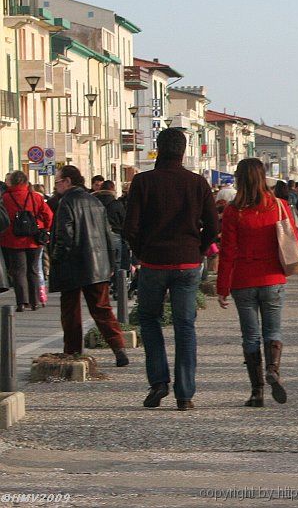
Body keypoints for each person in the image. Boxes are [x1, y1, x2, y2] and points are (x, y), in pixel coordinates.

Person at [123, 128, 218, 411]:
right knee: (185, 326)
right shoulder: (198, 183)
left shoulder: (143, 182)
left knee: (149, 319)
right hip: (187, 263)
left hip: (154, 262)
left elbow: (130, 227)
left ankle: (158, 382)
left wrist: (142, 252)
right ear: (184, 151)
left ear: (158, 149)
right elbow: (213, 226)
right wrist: (198, 250)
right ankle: (185, 394)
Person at [217, 158, 298, 407]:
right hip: (272, 277)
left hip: (243, 279)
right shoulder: (280, 206)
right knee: (272, 331)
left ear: (240, 179)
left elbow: (227, 252)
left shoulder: (233, 211)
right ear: (263, 177)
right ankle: (273, 369)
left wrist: (222, 288)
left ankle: (257, 392)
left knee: (250, 336)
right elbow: (293, 237)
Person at [49, 166, 128, 367]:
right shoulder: (95, 201)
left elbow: (64, 236)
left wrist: (55, 259)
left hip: (72, 264)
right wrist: (110, 262)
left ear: (67, 181)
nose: (56, 186)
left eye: (57, 182)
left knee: (71, 311)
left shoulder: (66, 202)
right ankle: (119, 348)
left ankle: (73, 352)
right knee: (102, 309)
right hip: (98, 264)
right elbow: (107, 234)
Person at [1, 171, 53, 312]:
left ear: (12, 182)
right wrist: (44, 229)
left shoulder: (5, 198)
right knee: (34, 269)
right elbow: (48, 214)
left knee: (18, 271)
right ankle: (35, 300)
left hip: (13, 239)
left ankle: (22, 302)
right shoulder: (35, 196)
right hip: (34, 238)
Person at [93, 180, 127, 290]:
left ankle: (102, 287)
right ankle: (117, 288)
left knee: (99, 262)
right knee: (116, 262)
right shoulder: (116, 204)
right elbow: (124, 220)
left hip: (98, 235)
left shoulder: (95, 203)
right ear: (112, 189)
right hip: (115, 235)